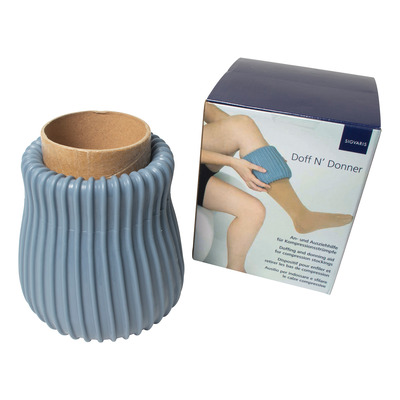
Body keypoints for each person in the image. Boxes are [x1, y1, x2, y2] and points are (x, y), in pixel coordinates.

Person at [197, 103, 353, 273]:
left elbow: (218, 118)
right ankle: (301, 216)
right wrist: (231, 161)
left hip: (201, 167)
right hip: (182, 168)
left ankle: (235, 270)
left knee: (255, 211)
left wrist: (260, 149)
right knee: (242, 125)